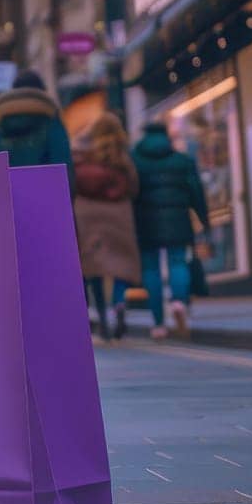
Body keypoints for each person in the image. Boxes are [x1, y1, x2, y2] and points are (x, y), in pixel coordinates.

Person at [132, 120, 211, 339]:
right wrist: (204, 219)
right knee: (178, 261)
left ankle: (158, 324)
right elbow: (196, 190)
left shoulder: (135, 161)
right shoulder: (182, 160)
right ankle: (178, 301)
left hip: (145, 222)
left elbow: (129, 192)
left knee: (151, 270)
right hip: (178, 219)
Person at [72, 112, 141, 341]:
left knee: (94, 268)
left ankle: (101, 316)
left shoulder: (82, 150)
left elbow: (73, 179)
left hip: (87, 213)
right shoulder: (120, 152)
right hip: (117, 212)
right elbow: (133, 183)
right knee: (119, 263)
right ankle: (119, 304)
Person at [0, 69, 74, 185]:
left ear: (13, 92)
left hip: (3, 192)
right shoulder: (50, 117)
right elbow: (62, 161)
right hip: (45, 192)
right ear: (42, 91)